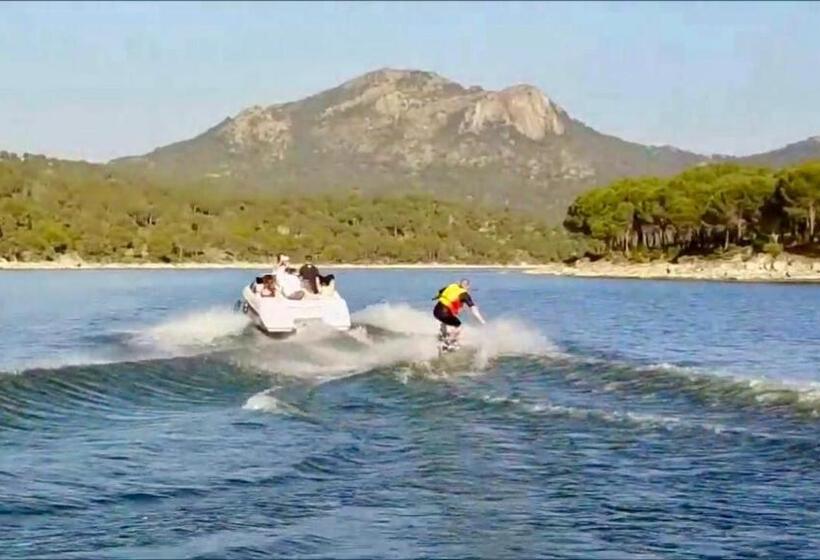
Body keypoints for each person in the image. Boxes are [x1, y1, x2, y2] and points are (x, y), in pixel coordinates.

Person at [432, 278, 486, 348]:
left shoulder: (452, 286)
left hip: (436, 311)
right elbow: (473, 309)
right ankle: (449, 342)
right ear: (467, 286)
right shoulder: (464, 294)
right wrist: (482, 321)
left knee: (444, 321)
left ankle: (443, 336)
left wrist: (435, 297)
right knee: (459, 326)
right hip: (445, 313)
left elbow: (440, 292)